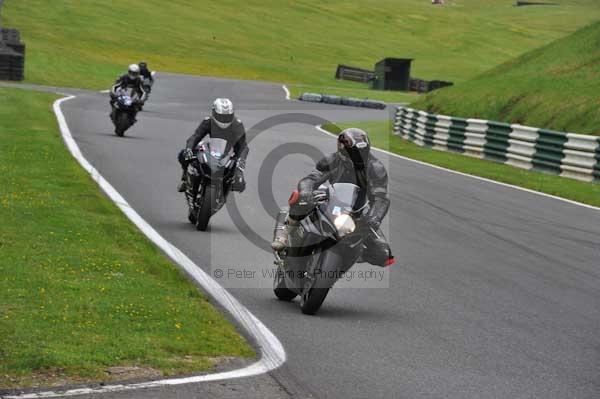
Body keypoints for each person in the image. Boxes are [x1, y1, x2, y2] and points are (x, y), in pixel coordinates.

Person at [271, 128, 394, 267]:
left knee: (384, 255)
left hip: (358, 209)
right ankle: (285, 234)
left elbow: (381, 197)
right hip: (331, 198)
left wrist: (374, 217)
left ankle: (349, 256)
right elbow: (311, 179)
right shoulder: (332, 160)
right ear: (342, 150)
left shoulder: (376, 168)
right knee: (300, 197)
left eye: (362, 153)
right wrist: (306, 192)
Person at [177, 98, 248, 193]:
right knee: (183, 154)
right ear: (214, 113)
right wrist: (189, 149)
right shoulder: (208, 121)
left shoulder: (237, 125)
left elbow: (243, 146)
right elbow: (195, 137)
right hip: (213, 149)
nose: (224, 120)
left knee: (239, 183)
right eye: (221, 116)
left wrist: (240, 163)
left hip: (229, 153)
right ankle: (185, 178)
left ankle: (226, 187)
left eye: (227, 117)